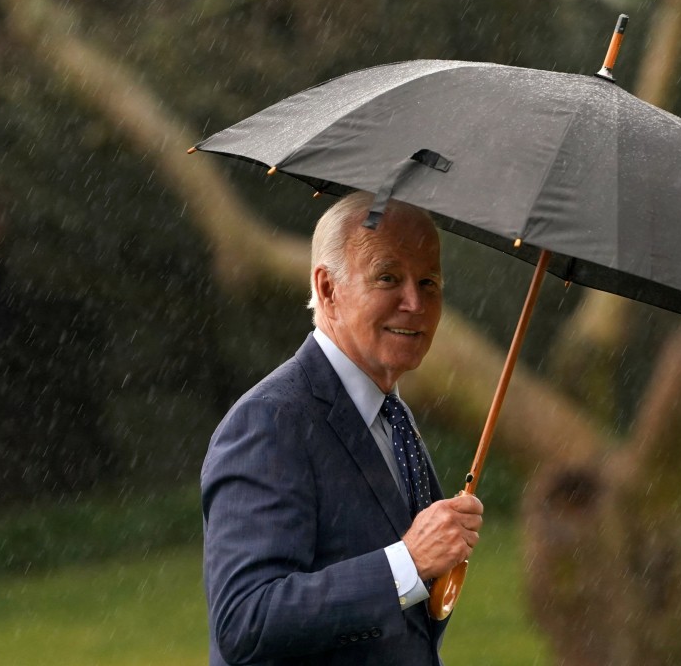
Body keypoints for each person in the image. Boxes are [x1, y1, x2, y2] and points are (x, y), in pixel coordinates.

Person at [201, 190, 484, 666]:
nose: (414, 302)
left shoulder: (395, 419)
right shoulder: (269, 421)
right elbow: (245, 622)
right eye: (388, 277)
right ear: (328, 289)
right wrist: (407, 563)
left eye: (429, 282)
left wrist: (438, 569)